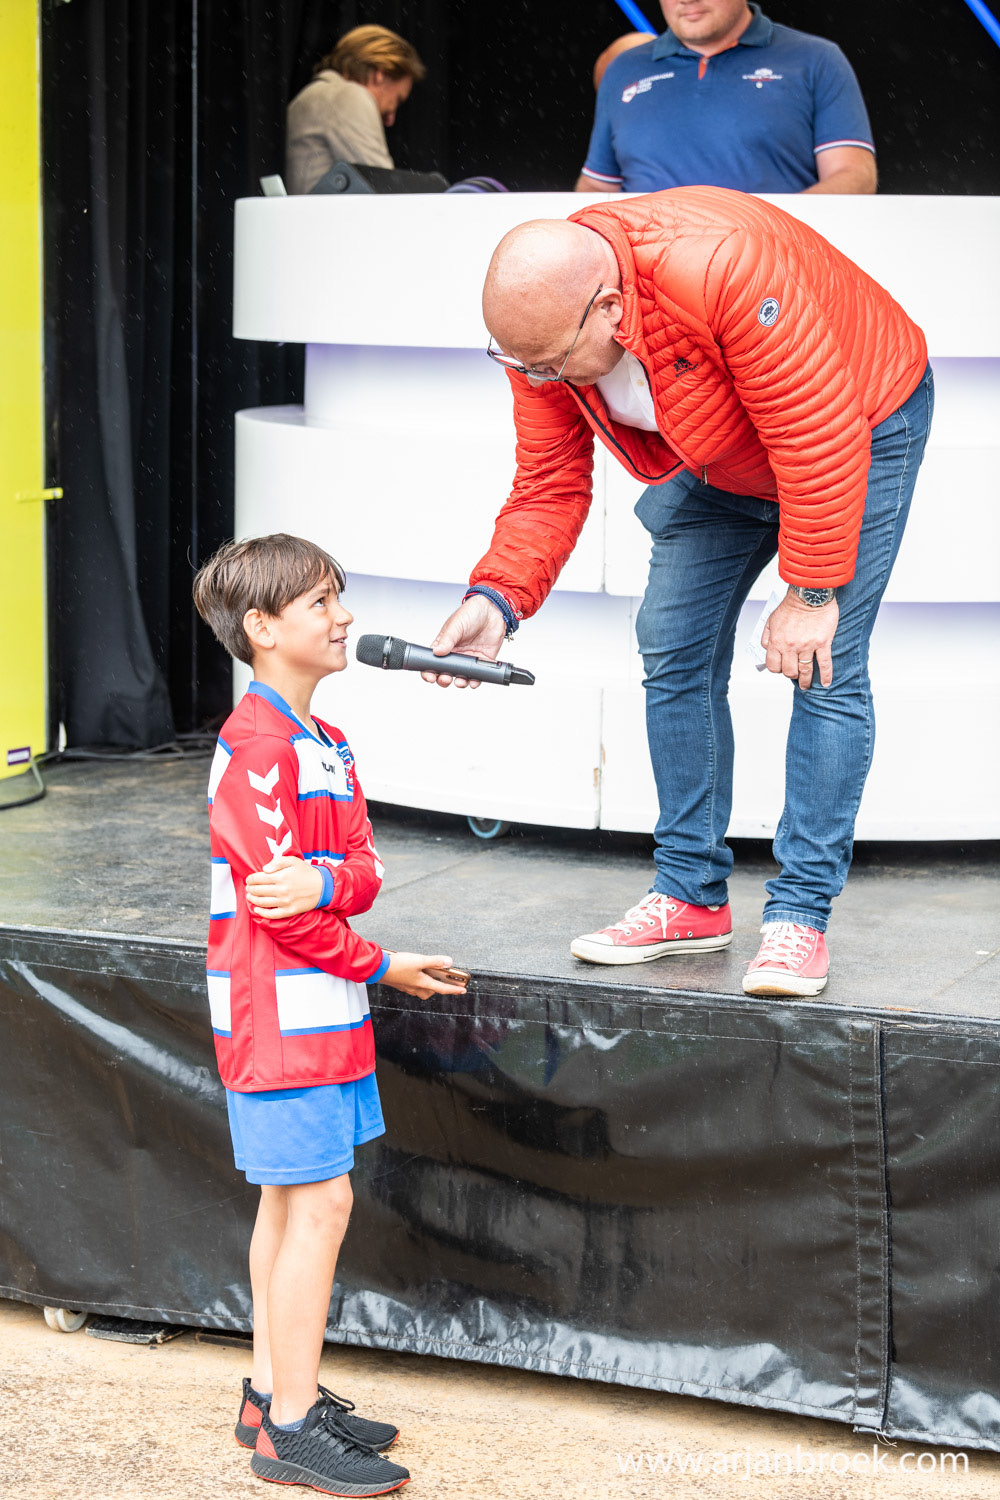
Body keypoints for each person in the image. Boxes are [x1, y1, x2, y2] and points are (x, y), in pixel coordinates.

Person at [421, 188, 932, 998]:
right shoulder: (541, 332)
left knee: (823, 663)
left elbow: (814, 433)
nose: (539, 376)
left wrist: (810, 592)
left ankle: (800, 916)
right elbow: (549, 478)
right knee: (672, 642)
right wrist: (497, 599)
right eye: (522, 363)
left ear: (610, 308)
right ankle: (690, 895)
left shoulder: (720, 268)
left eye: (549, 362)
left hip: (856, 419)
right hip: (723, 447)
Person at [193, 533, 464, 1494]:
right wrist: (379, 960)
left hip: (320, 1008)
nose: (344, 616)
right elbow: (287, 912)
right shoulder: (259, 746)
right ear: (262, 628)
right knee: (320, 1201)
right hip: (277, 1016)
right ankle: (291, 1428)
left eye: (338, 597)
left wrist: (326, 883)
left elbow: (364, 872)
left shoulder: (325, 742)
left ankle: (272, 1394)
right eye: (320, 602)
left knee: (291, 1197)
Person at [576, 0, 876, 196]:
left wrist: (770, 231)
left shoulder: (817, 59)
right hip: (646, 269)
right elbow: (597, 186)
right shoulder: (622, 69)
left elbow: (852, 175)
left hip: (775, 265)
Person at [285, 25, 426, 194]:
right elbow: (385, 189)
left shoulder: (312, 95)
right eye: (397, 100)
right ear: (380, 75)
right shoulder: (346, 96)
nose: (390, 119)